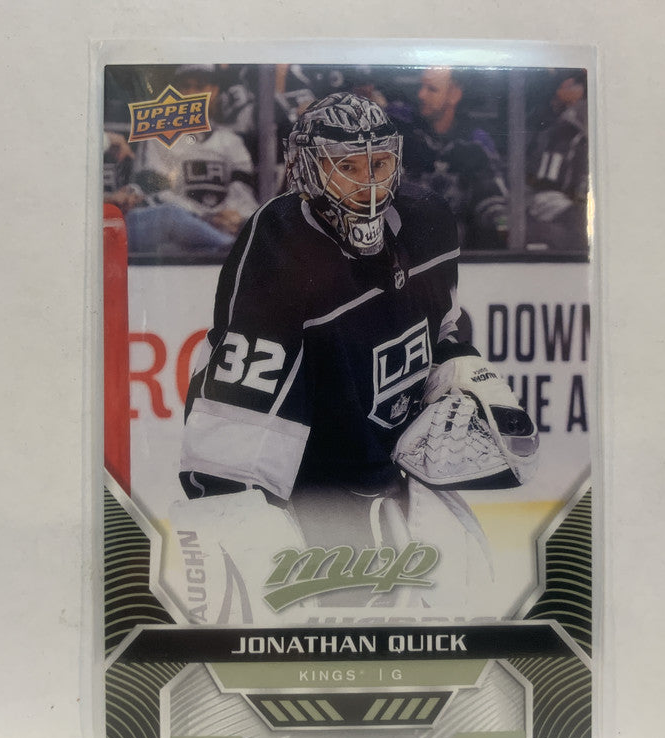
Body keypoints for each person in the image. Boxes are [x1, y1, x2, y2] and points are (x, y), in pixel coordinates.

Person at [167, 92, 538, 623]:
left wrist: (462, 376)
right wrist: (232, 513)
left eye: (379, 164)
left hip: (396, 481)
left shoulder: (427, 219)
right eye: (347, 167)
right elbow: (241, 401)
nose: (368, 184)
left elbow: (443, 329)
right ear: (309, 169)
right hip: (312, 497)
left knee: (453, 618)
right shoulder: (281, 242)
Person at [113, 64, 259, 259]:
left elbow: (243, 192)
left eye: (200, 87)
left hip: (221, 229)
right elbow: (157, 194)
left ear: (214, 91)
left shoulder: (231, 141)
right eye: (185, 86)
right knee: (169, 216)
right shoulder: (157, 136)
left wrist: (233, 216)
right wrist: (206, 217)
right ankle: (233, 250)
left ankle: (229, 247)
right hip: (173, 238)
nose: (192, 94)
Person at [392, 67, 509, 250]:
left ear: (454, 95)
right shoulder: (401, 133)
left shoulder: (475, 143)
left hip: (459, 248)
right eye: (421, 86)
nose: (421, 95)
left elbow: (494, 204)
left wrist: (501, 227)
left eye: (432, 89)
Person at [526, 71, 590, 254]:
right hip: (561, 216)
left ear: (569, 84)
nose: (553, 97)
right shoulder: (554, 130)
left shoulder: (577, 126)